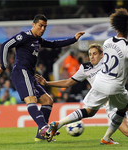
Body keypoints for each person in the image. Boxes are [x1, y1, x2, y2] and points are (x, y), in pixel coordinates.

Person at [38, 8, 128, 144]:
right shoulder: (126, 47)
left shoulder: (108, 42)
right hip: (114, 87)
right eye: (90, 54)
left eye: (94, 53)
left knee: (90, 111)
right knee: (122, 109)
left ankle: (59, 123)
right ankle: (106, 138)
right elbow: (69, 82)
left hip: (100, 83)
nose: (91, 56)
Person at [0, 14, 85, 142]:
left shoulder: (39, 40)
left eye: (45, 27)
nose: (43, 29)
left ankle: (41, 135)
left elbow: (54, 44)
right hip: (21, 72)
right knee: (31, 99)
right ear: (34, 25)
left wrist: (74, 39)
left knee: (48, 100)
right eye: (40, 26)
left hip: (31, 75)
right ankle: (44, 127)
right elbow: (4, 45)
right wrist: (3, 65)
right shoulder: (24, 36)